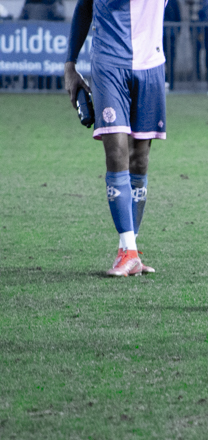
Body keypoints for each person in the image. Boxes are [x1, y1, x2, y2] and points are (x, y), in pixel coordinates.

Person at [64, 0, 167, 276]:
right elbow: (84, 6)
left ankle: (129, 249)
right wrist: (70, 64)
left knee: (140, 160)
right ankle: (129, 250)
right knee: (116, 152)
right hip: (109, 65)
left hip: (151, 65)